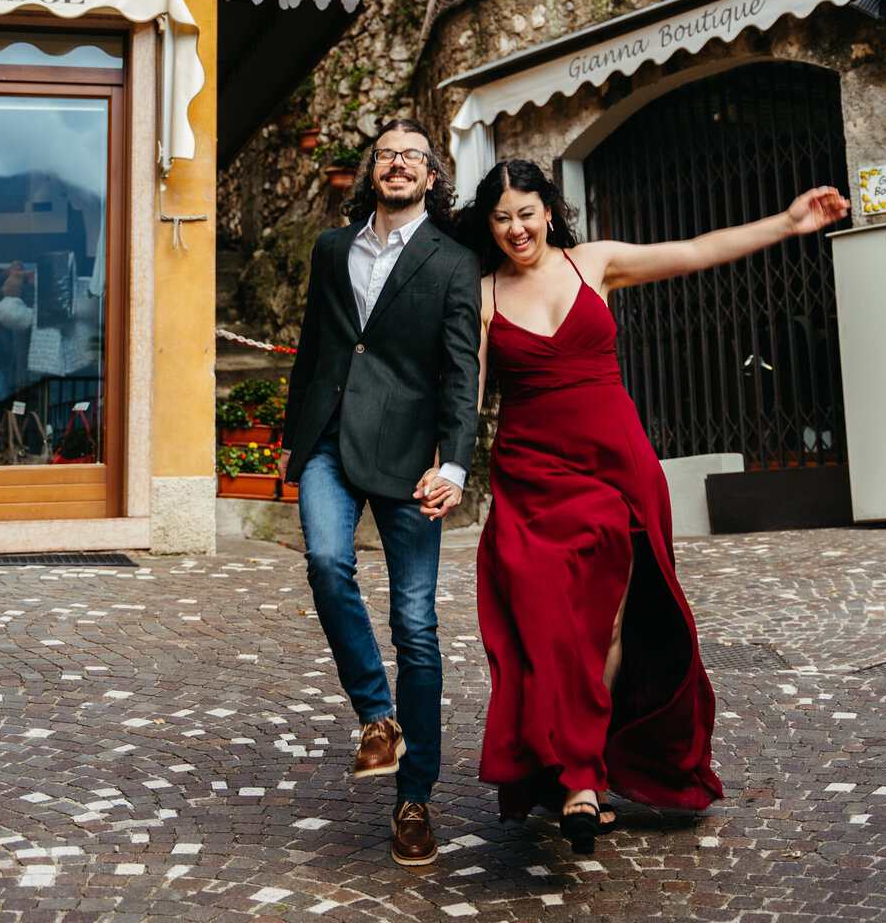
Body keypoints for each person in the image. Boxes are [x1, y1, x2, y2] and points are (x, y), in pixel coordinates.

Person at [464, 158, 850, 852]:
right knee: (553, 621)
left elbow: (697, 251)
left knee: (613, 617)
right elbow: (465, 394)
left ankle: (583, 777)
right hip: (532, 475)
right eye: (500, 218)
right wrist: (442, 467)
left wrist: (789, 223)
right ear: (487, 225)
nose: (516, 228)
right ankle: (570, 766)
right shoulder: (484, 295)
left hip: (617, 468)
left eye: (526, 212)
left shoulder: (597, 263)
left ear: (549, 211)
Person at [279, 118, 482, 868]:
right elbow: (316, 345)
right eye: (387, 154)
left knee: (416, 626)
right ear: (372, 169)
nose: (398, 165)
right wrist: (294, 444)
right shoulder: (333, 248)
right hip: (329, 438)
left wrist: (455, 466)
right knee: (328, 564)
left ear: (431, 177)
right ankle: (376, 717)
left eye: (414, 158)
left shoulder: (454, 262)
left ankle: (415, 797)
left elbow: (463, 373)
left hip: (409, 459)